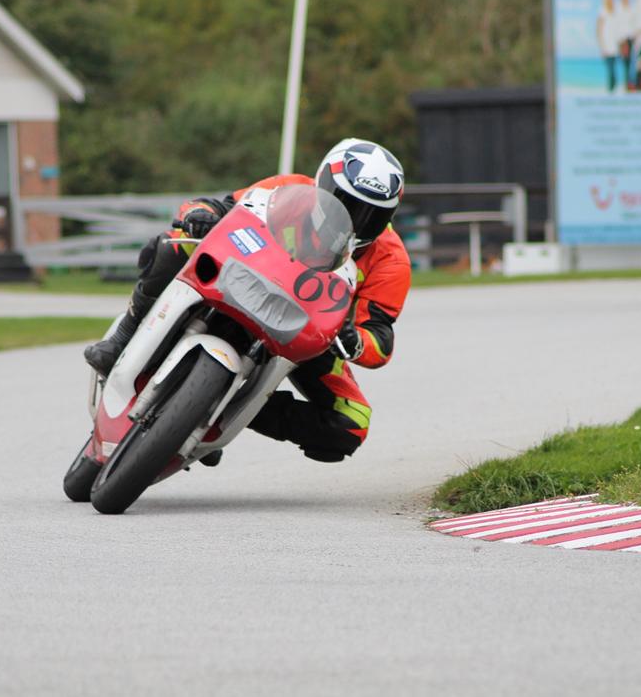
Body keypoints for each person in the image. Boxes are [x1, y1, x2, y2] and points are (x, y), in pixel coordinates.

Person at [84, 138, 412, 464]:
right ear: (323, 183)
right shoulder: (291, 189)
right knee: (176, 243)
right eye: (345, 203)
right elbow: (222, 206)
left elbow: (381, 339)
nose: (355, 219)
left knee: (353, 423)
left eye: (372, 214)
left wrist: (353, 342)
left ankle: (217, 412)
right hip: (242, 278)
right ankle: (121, 338)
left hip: (306, 328)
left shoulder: (391, 260)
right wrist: (200, 214)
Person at [596, 0, 622, 92]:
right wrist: (602, 47)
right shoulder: (602, 10)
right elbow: (598, 30)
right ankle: (610, 95)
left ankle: (613, 95)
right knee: (610, 72)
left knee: (615, 72)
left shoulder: (616, 8)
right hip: (607, 46)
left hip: (616, 46)